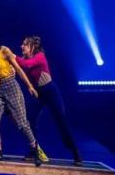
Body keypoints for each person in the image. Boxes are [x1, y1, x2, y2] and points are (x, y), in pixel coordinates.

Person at [0, 26, 45, 162]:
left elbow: (18, 69)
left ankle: (35, 150)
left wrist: (29, 86)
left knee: (22, 123)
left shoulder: (4, 50)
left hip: (11, 87)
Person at [13, 36, 83, 165]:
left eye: (25, 45)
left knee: (61, 122)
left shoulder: (40, 56)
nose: (21, 46)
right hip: (38, 94)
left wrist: (11, 56)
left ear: (32, 47)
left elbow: (26, 65)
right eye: (22, 44)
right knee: (30, 121)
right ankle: (33, 150)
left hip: (50, 92)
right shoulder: (23, 59)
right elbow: (18, 67)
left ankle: (75, 152)